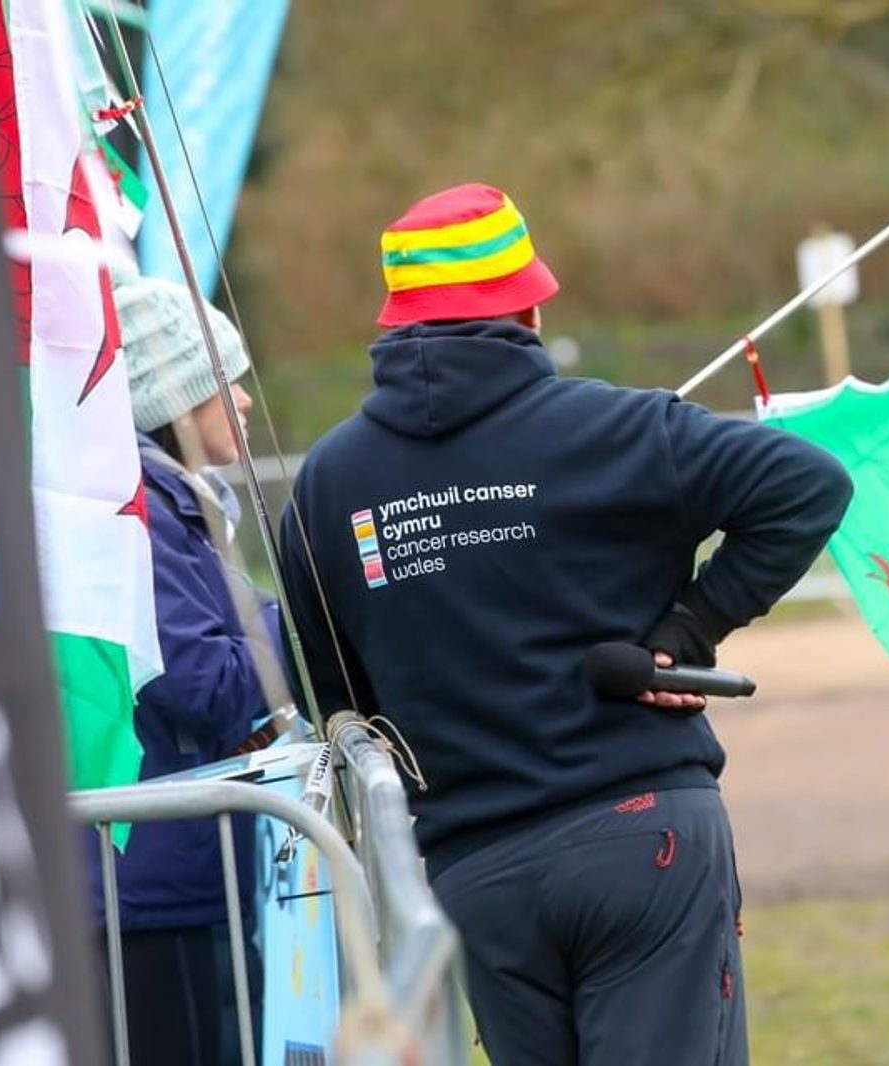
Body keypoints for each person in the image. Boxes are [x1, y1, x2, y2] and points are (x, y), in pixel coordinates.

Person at [277, 183, 853, 1065]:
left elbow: (335, 693)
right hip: (644, 836)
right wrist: (689, 630)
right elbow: (810, 485)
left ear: (397, 322)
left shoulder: (325, 485)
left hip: (476, 879)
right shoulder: (618, 426)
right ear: (527, 308)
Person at [85, 270, 276, 1066]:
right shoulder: (138, 515)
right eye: (222, 382)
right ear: (173, 398)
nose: (244, 401)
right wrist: (292, 617)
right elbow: (209, 686)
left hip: (164, 879)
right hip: (158, 892)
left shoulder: (164, 503)